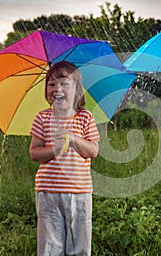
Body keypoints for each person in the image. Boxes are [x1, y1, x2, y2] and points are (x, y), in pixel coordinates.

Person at [29, 61, 100, 256]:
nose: (57, 88)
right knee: (50, 247)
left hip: (79, 191)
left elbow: (93, 151)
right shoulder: (42, 118)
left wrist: (75, 139)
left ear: (76, 90)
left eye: (64, 83)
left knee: (79, 245)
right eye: (51, 84)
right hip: (48, 192)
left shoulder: (85, 117)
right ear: (46, 91)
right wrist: (54, 150)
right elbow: (34, 152)